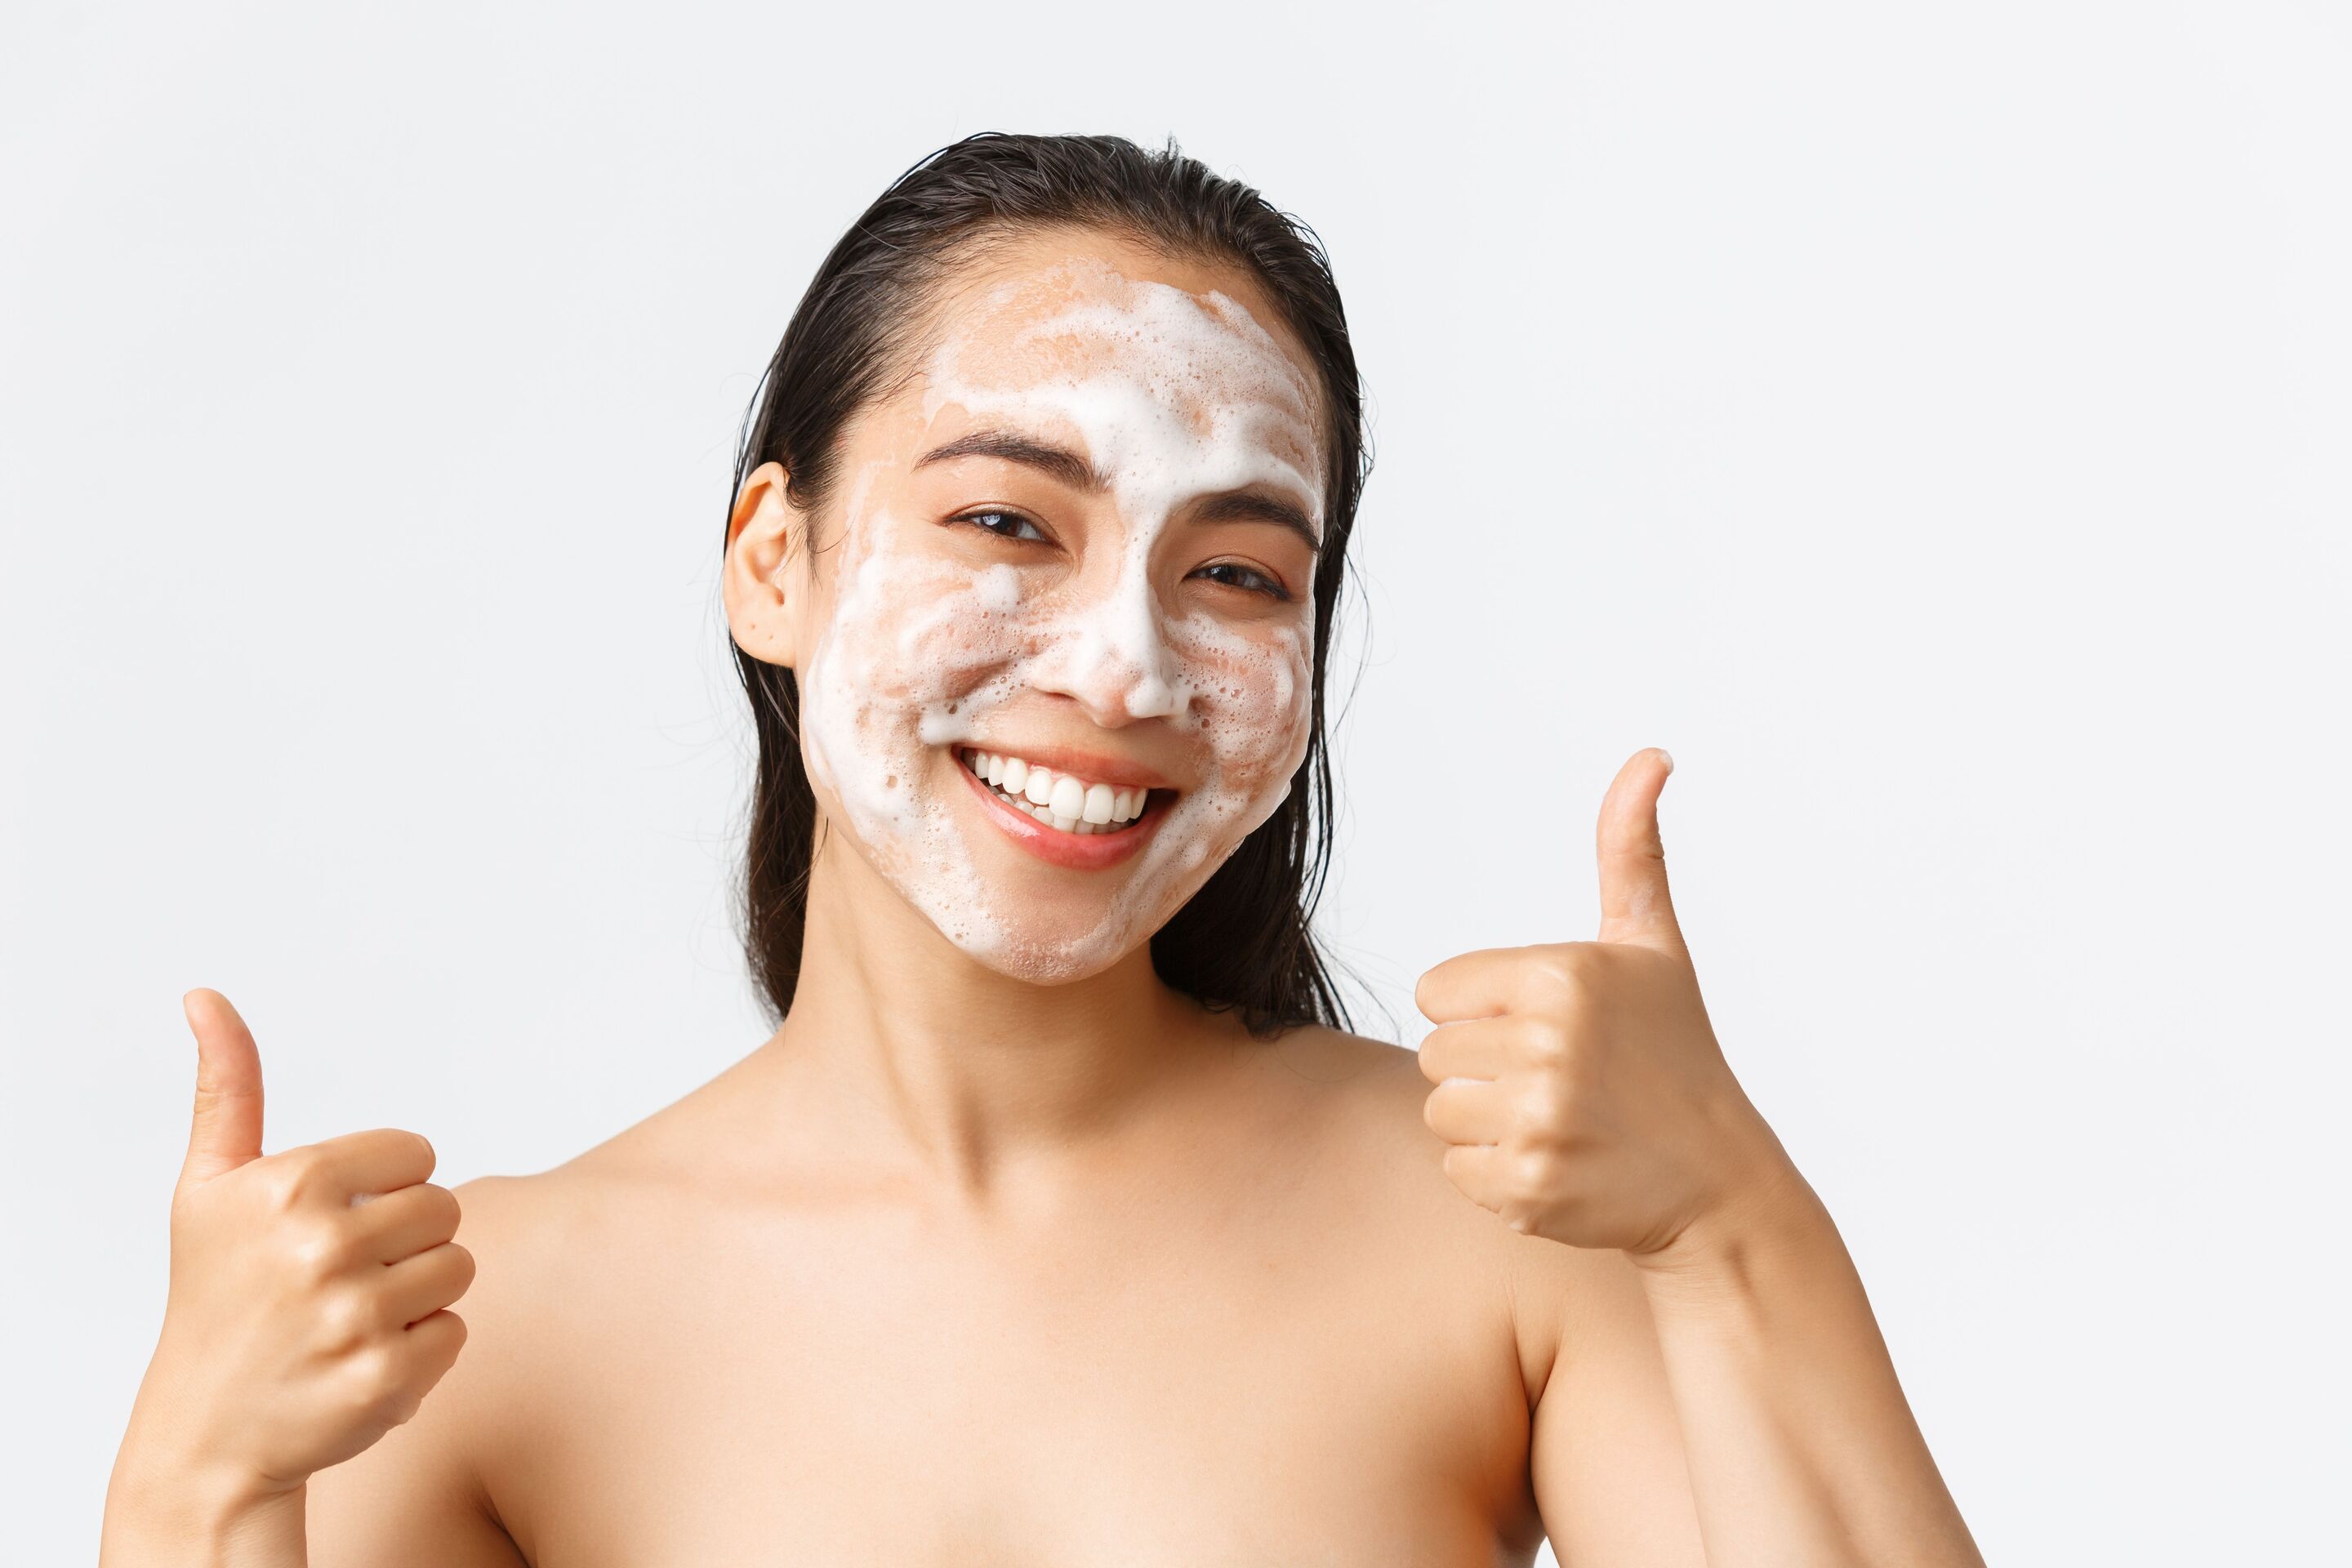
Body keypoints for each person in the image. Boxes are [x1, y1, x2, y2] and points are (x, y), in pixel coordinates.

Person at [101, 133, 1984, 1566]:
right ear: (777, 559)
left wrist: (1737, 1220)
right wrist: (195, 1477)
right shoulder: (466, 1331)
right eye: (1011, 522)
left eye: (1237, 573)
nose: (1126, 664)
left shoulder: (1507, 1226)